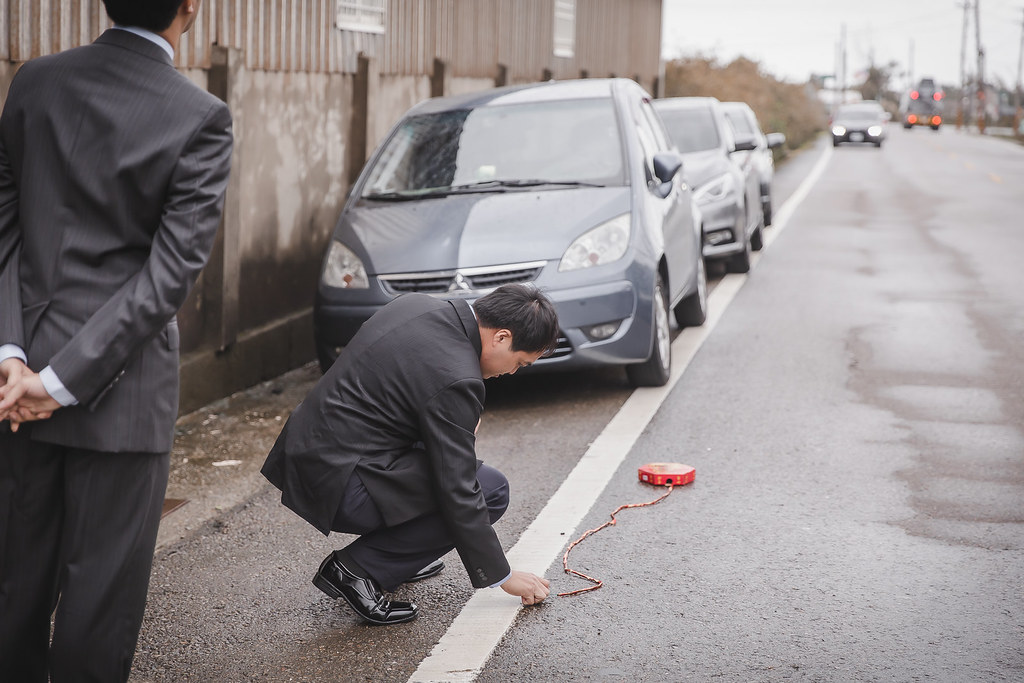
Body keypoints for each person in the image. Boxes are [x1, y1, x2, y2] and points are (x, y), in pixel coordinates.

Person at [0, 1, 233, 679]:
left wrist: (15, 358)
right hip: (123, 399)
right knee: (97, 610)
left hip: (14, 394)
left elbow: (5, 228)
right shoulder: (199, 116)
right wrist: (57, 382)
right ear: (190, 6)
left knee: (12, 592)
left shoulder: (33, 83)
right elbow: (168, 277)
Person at [261, 284, 559, 625]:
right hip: (342, 484)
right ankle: (356, 570)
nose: (512, 372)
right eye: (519, 362)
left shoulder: (417, 305)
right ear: (502, 337)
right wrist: (502, 575)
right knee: (490, 490)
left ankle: (400, 558)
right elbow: (458, 487)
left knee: (447, 459)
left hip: (305, 454)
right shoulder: (458, 378)